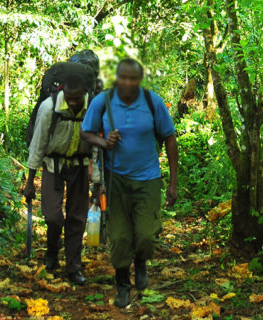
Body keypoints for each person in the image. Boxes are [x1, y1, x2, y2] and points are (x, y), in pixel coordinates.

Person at [81, 58, 178, 307]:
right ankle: (122, 285)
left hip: (148, 178)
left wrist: (173, 183)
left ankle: (142, 262)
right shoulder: (103, 101)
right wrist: (105, 142)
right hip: (115, 179)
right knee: (121, 237)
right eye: (123, 78)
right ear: (116, 78)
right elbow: (86, 132)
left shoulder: (151, 101)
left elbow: (169, 138)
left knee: (146, 235)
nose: (127, 83)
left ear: (139, 80)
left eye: (132, 78)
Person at [24, 62, 95, 286]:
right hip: (53, 166)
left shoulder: (92, 109)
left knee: (77, 218)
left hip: (80, 167)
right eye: (69, 97)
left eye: (77, 98)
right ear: (63, 91)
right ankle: (52, 252)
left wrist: (98, 182)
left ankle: (73, 266)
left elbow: (98, 148)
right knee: (53, 216)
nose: (73, 103)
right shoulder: (49, 108)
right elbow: (37, 145)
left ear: (84, 93)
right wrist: (29, 181)